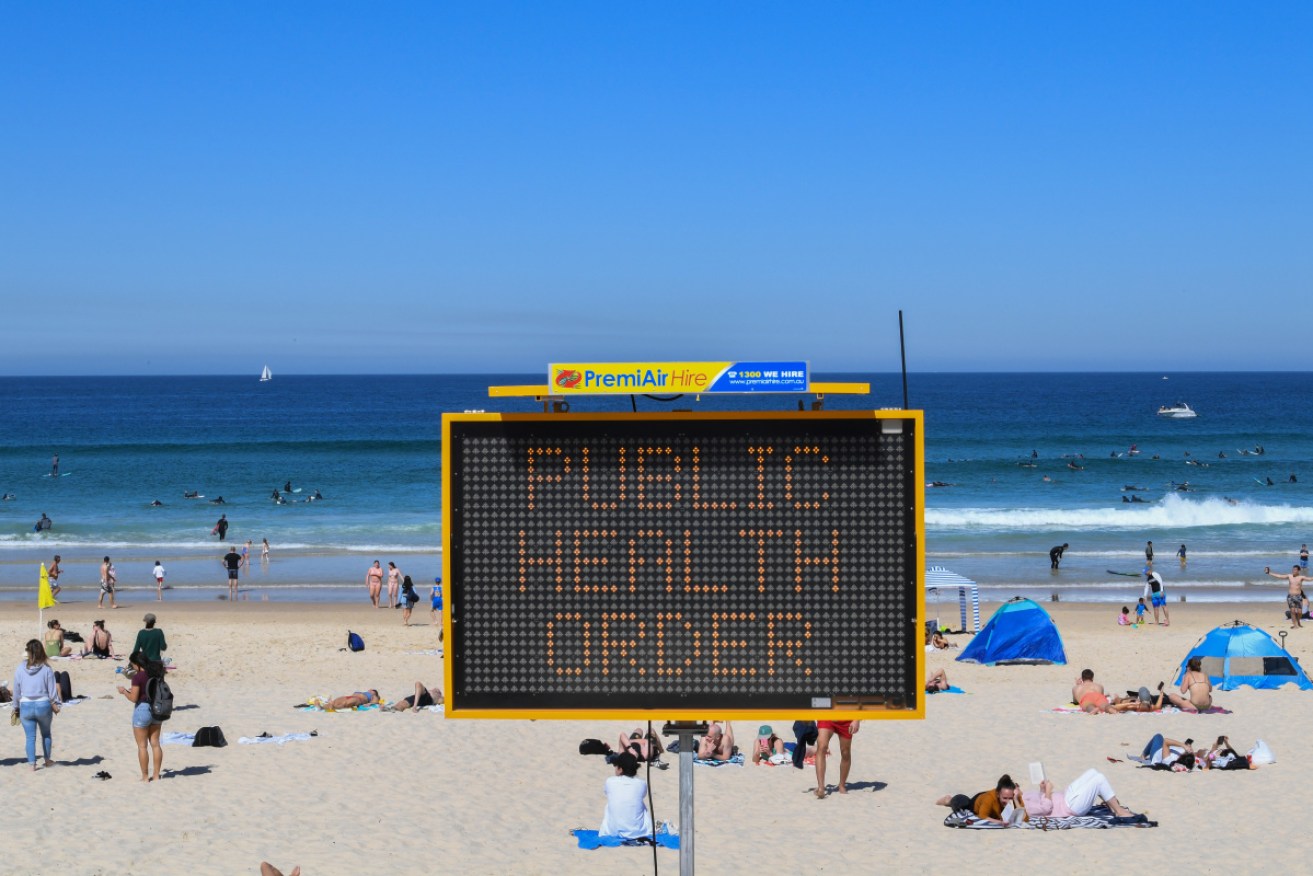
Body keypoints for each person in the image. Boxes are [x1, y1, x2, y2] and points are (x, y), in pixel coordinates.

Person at [13, 639, 61, 770]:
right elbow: (52, 691)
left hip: (26, 705)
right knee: (46, 734)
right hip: (43, 705)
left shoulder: (20, 668)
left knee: (30, 737)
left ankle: (32, 764)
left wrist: (15, 707)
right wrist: (56, 704)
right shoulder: (46, 668)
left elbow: (16, 690)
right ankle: (47, 760)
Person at [117, 651, 164, 781]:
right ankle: (156, 775)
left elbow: (133, 698)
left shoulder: (137, 677)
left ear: (137, 664)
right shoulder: (156, 673)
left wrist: (124, 692)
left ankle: (145, 776)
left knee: (142, 746)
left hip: (143, 709)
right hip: (157, 709)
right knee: (155, 744)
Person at [1022, 770, 1137, 817]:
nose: (1018, 788)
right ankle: (1118, 810)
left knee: (1093, 772)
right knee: (1099, 780)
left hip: (1066, 796)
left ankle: (1111, 804)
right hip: (1070, 807)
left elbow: (1041, 800)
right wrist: (1048, 791)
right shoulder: (1023, 808)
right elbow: (1045, 809)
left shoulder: (1024, 795)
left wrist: (1042, 790)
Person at [599, 751, 653, 840]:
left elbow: (606, 792)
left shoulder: (610, 781)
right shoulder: (642, 783)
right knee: (639, 804)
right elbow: (643, 795)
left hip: (612, 831)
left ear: (620, 769)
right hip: (638, 832)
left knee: (611, 804)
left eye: (616, 766)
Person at [936, 774, 1022, 822]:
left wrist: (1015, 799)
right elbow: (982, 816)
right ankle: (948, 799)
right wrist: (1000, 822)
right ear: (998, 794)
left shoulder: (1010, 797)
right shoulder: (989, 799)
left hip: (985, 798)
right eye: (1005, 798)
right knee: (960, 803)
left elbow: (1023, 816)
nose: (1008, 801)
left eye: (1010, 798)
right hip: (971, 804)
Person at [815, 719, 859, 798]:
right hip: (827, 716)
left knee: (845, 752)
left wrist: (856, 720)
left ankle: (841, 785)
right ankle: (821, 787)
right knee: (822, 746)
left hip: (846, 719)